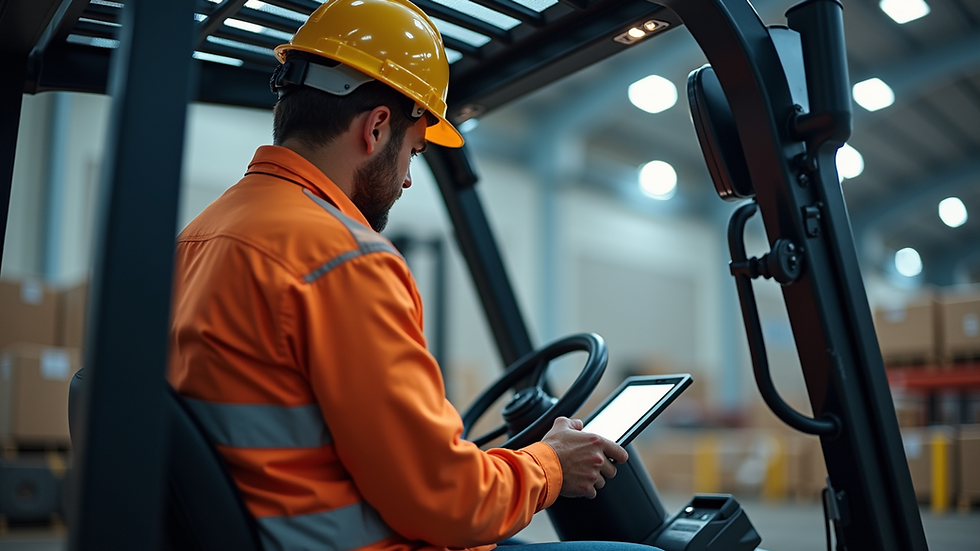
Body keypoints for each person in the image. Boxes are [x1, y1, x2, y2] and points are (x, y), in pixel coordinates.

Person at [168, 0, 643, 549]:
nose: (408, 180)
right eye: (414, 153)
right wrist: (549, 466)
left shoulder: (197, 238)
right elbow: (449, 503)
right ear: (376, 128)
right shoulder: (344, 259)